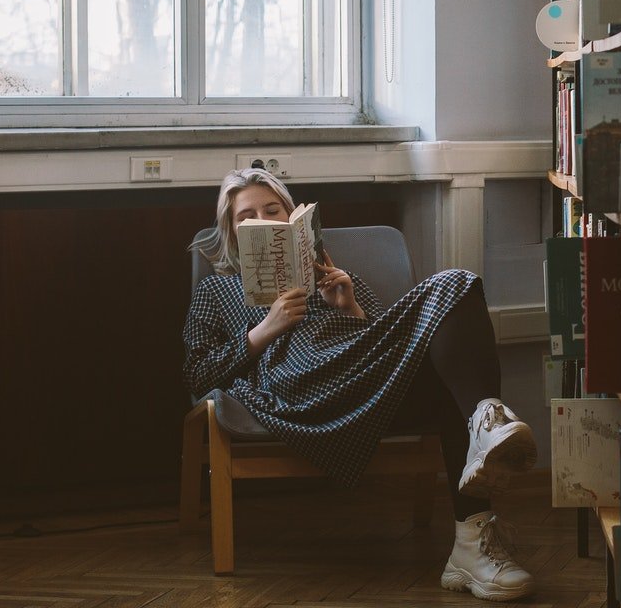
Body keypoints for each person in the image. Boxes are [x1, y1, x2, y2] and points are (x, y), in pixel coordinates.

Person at [183, 169, 539, 601]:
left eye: (273, 210)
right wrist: (264, 331)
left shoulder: (332, 275)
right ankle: (486, 423)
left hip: (361, 377)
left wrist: (349, 306)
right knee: (451, 313)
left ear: (293, 218)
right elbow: (198, 375)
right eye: (248, 217)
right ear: (234, 234)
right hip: (297, 389)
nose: (264, 218)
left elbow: (388, 341)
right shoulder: (216, 290)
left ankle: (471, 544)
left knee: (458, 285)